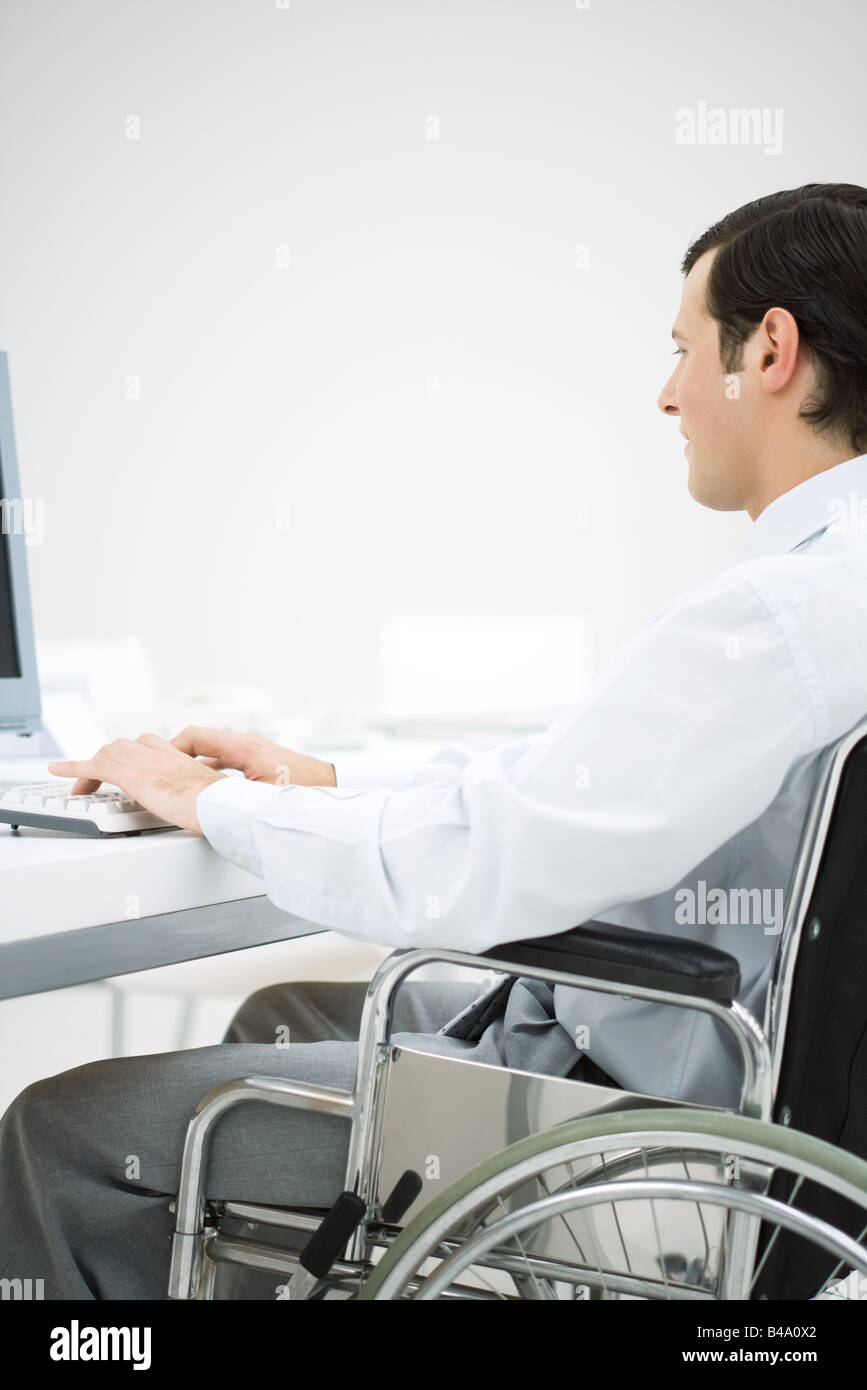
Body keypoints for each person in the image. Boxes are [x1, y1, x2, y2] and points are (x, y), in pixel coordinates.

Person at [4, 182, 867, 1300]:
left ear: (774, 352)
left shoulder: (786, 612)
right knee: (291, 1019)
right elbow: (561, 795)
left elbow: (479, 867)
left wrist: (208, 801)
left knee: (55, 1133)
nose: (667, 394)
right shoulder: (832, 587)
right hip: (735, 1101)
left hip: (646, 1144)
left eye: (685, 349)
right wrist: (327, 778)